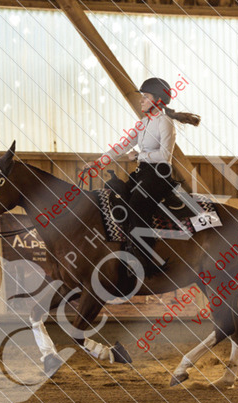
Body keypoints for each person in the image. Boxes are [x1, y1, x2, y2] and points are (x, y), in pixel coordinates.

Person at [85, 77, 201, 276]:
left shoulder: (165, 122)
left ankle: (146, 262)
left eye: (145, 96)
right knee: (116, 196)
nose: (141, 100)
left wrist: (140, 156)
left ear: (157, 100)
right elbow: (122, 146)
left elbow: (165, 155)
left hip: (159, 176)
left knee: (137, 206)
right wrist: (99, 162)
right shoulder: (143, 123)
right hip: (142, 174)